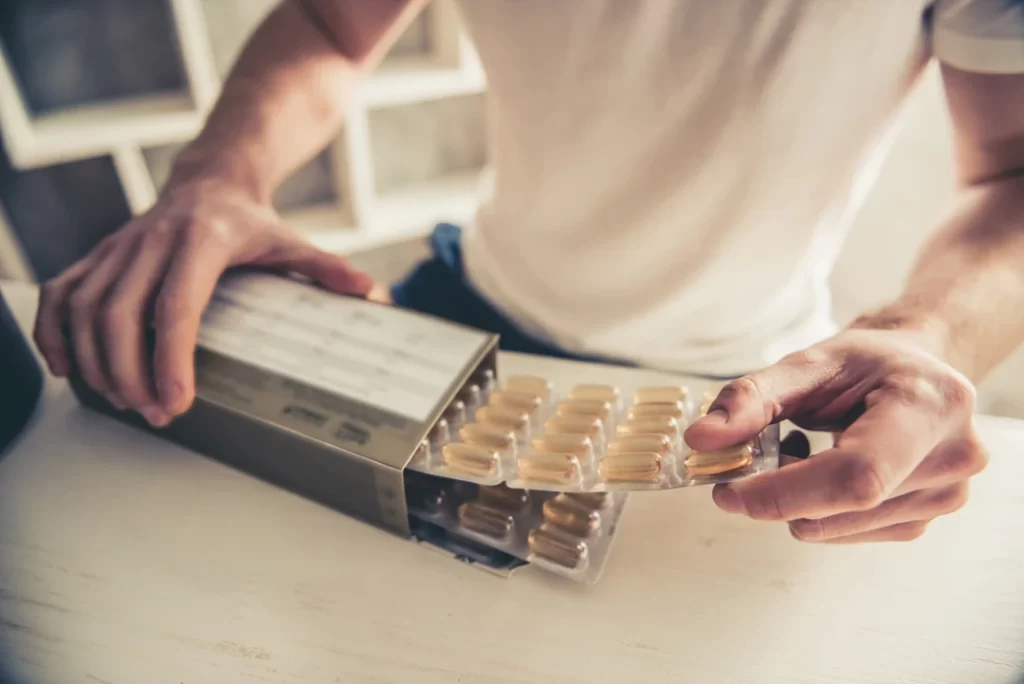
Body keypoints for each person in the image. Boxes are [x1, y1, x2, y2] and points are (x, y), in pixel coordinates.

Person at [31, 1, 1024, 544]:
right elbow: (333, 25)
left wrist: (925, 334)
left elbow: (1009, 173)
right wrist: (219, 173)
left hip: (745, 381)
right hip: (464, 312)